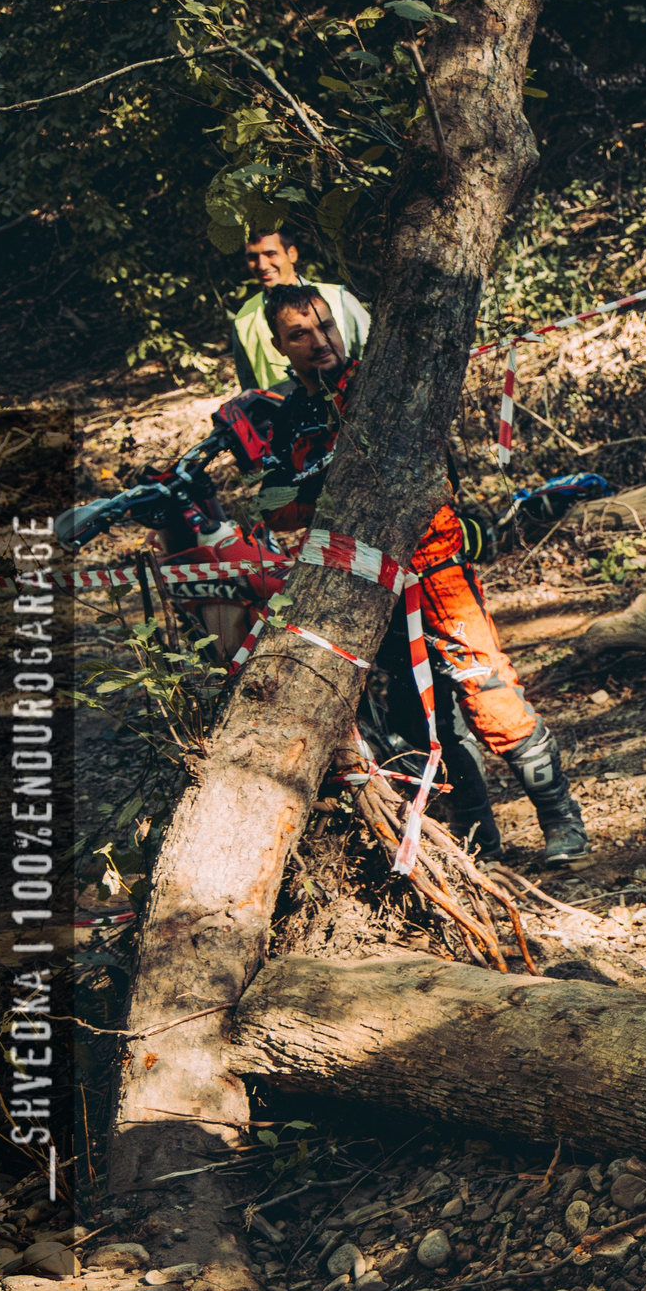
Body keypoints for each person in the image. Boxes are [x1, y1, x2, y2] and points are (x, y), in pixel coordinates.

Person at [177, 284, 589, 863]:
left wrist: (324, 486)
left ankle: (563, 825)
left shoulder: (381, 382)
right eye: (300, 334)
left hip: (433, 561)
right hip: (363, 580)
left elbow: (423, 467)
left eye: (325, 326)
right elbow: (274, 503)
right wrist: (324, 487)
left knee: (486, 688)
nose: (319, 341)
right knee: (416, 717)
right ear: (279, 346)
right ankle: (479, 842)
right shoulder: (291, 413)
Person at [228, 227, 371, 392]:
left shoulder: (338, 298)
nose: (262, 265)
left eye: (270, 254)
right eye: (253, 257)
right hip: (286, 413)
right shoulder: (244, 319)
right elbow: (251, 390)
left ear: (292, 254)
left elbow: (373, 356)